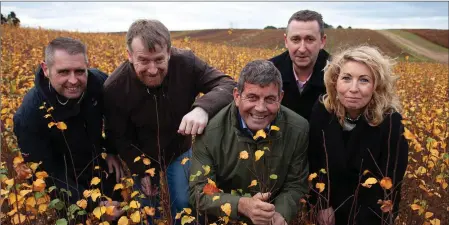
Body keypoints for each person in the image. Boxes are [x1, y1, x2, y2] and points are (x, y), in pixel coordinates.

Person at [103, 19, 236, 218]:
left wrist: (203, 108)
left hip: (178, 150)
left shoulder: (187, 63)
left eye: (159, 59)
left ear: (169, 53)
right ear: (129, 56)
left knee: (184, 204)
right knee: (146, 208)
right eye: (144, 60)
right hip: (141, 154)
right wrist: (140, 169)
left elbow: (227, 85)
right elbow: (120, 137)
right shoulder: (115, 87)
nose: (153, 69)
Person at [189, 60, 309, 225]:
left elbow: (295, 184)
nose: (260, 108)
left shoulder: (298, 129)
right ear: (237, 96)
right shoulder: (210, 132)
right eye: (252, 97)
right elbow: (199, 190)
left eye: (269, 99)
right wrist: (241, 205)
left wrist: (280, 214)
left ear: (280, 98)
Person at [13, 37, 124, 203]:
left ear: (87, 66)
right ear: (46, 69)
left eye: (79, 71)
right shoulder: (30, 115)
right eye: (63, 72)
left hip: (97, 166)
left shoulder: (98, 82)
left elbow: (115, 116)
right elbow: (46, 175)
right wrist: (94, 207)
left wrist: (111, 150)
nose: (73, 81)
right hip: (62, 183)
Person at [308, 46, 409, 225]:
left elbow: (390, 183)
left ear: (376, 86)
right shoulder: (322, 112)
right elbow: (315, 163)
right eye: (346, 78)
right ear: (335, 81)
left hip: (370, 215)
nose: (353, 88)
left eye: (364, 80)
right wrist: (322, 205)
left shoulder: (392, 123)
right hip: (327, 214)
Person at [270, 10, 330, 121]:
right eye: (296, 39)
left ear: (322, 41)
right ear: (286, 41)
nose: (302, 49)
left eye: (310, 39)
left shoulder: (338, 73)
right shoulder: (269, 70)